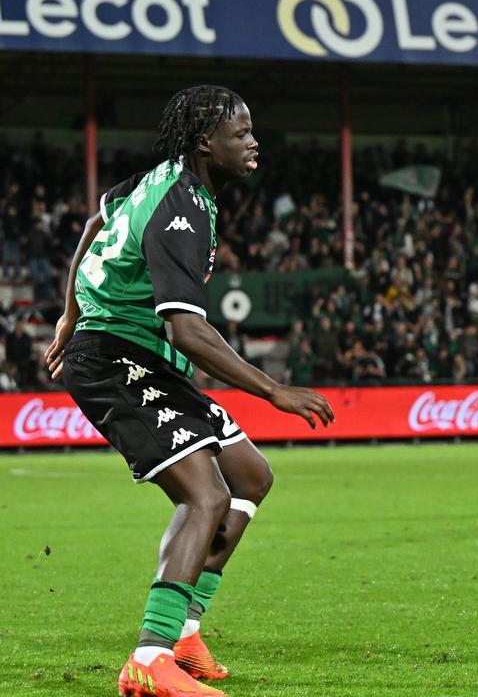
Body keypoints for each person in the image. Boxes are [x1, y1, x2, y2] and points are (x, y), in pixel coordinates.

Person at [43, 85, 334, 697]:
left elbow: (98, 217)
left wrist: (68, 311)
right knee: (205, 496)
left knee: (250, 478)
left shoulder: (162, 179)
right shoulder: (182, 205)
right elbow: (188, 330)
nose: (254, 142)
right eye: (241, 133)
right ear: (207, 142)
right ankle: (149, 660)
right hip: (114, 359)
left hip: (139, 356)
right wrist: (273, 389)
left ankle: (183, 635)